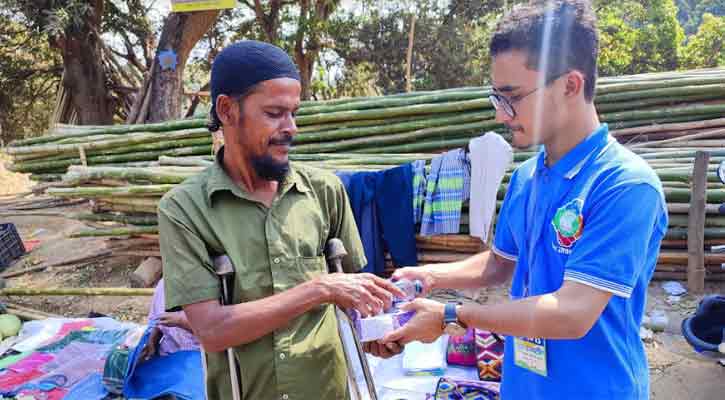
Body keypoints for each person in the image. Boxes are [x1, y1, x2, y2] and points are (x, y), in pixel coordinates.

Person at [378, 1, 668, 399]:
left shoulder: (625, 186)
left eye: (512, 95)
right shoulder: (528, 176)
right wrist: (431, 277)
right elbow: (501, 263)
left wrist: (451, 315)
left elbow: (572, 314)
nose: (502, 114)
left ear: (570, 85)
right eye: (497, 97)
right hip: (524, 384)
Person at [158, 40, 405, 400]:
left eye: (294, 113)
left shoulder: (324, 191)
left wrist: (376, 337)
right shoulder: (184, 209)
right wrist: (318, 289)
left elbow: (354, 299)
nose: (291, 128)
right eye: (274, 113)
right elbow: (211, 330)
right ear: (227, 110)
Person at [139, 278, 200, 361]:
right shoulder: (163, 285)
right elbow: (158, 322)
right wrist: (152, 342)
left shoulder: (206, 286)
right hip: (169, 354)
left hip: (199, 358)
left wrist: (181, 321)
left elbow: (213, 328)